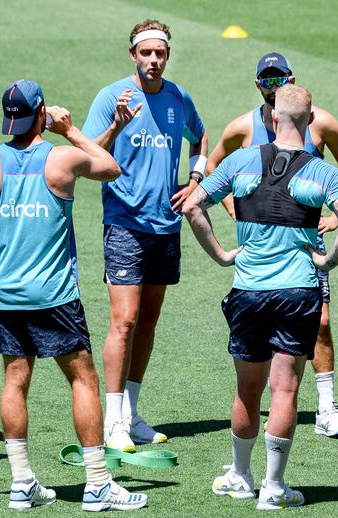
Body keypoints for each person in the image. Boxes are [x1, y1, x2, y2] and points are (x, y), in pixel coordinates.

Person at [0, 80, 147, 511]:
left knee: (15, 381)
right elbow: (107, 167)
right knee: (83, 379)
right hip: (55, 295)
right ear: (41, 111)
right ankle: (98, 483)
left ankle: (22, 482)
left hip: (9, 296)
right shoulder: (61, 158)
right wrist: (70, 129)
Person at [184, 84, 338, 509]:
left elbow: (193, 206)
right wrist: (328, 261)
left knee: (248, 390)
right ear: (311, 120)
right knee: (284, 391)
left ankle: (240, 476)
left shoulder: (240, 161)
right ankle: (275, 487)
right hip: (297, 291)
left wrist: (223, 255)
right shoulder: (322, 171)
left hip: (248, 290)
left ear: (273, 116)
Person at [205, 52, 338, 438]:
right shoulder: (243, 126)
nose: (274, 87)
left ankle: (327, 407)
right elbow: (212, 169)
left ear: (292, 80)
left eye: (280, 79)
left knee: (322, 323)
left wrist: (334, 217)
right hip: (261, 253)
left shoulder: (318, 121)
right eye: (267, 80)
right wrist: (237, 210)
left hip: (301, 248)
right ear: (257, 84)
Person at [82, 19, 208, 452]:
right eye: (146, 53)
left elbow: (201, 135)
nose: (153, 60)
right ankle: (112, 421)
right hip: (124, 224)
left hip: (165, 226)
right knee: (124, 321)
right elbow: (88, 155)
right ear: (133, 54)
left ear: (167, 55)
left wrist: (195, 178)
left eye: (160, 53)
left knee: (148, 322)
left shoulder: (178, 98)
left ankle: (132, 414)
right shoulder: (111, 97)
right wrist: (116, 125)